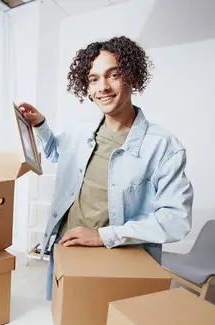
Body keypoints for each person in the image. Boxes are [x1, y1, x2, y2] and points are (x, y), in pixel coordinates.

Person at [18, 36, 194, 301]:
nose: (103, 87)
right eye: (94, 79)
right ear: (86, 87)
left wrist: (104, 236)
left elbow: (176, 220)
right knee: (64, 323)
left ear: (131, 77)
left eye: (114, 75)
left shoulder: (163, 147)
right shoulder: (79, 131)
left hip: (117, 258)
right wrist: (41, 125)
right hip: (68, 246)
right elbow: (56, 151)